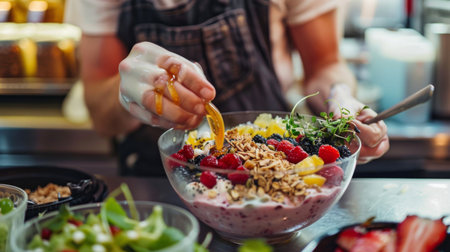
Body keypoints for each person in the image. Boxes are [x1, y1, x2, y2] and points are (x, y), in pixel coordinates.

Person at [64, 0, 389, 176]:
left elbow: (325, 66)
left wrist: (340, 99)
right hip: (159, 182)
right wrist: (127, 95)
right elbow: (101, 115)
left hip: (279, 174)